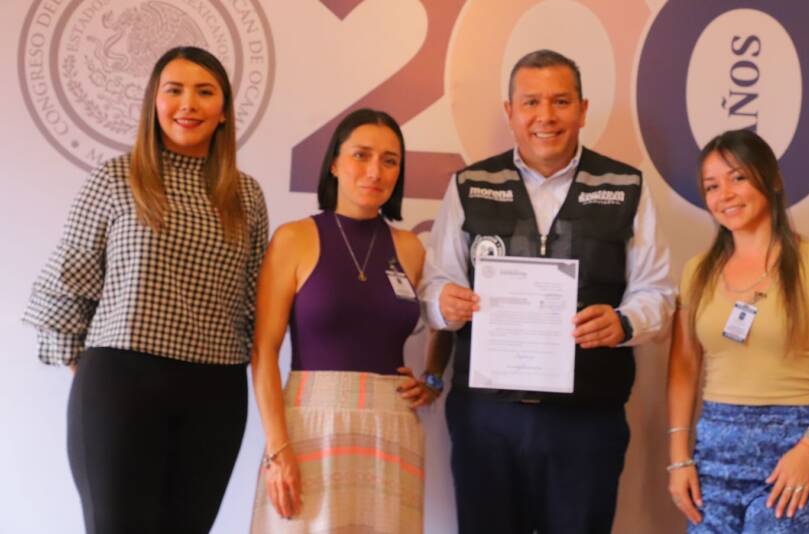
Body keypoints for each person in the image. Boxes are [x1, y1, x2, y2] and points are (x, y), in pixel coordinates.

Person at [419, 49, 675, 533]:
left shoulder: (626, 187)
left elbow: (658, 294)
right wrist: (444, 303)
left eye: (561, 101)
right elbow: (434, 285)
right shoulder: (470, 184)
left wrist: (623, 323)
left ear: (582, 110)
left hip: (586, 419)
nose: (546, 116)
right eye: (531, 102)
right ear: (510, 111)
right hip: (487, 419)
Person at [22, 46, 269, 533]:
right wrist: (97, 376)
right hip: (122, 381)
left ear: (223, 111)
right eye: (174, 90)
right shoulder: (118, 177)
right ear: (154, 103)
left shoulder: (246, 195)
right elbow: (66, 280)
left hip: (216, 391)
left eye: (204, 92)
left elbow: (253, 300)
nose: (188, 104)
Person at [249, 108, 451, 533]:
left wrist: (432, 378)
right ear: (335, 164)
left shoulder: (411, 248)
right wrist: (277, 449)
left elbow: (445, 319)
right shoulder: (293, 238)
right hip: (309, 424)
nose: (375, 171)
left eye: (389, 161)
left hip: (391, 428)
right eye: (361, 155)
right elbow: (264, 351)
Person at [666, 129, 809, 533]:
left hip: (792, 452)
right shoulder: (697, 271)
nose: (725, 194)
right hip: (712, 460)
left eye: (738, 177)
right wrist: (678, 457)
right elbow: (684, 367)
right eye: (712, 185)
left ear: (772, 180)